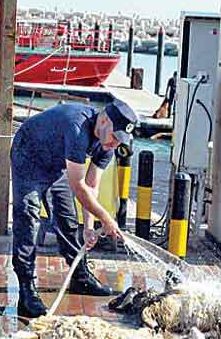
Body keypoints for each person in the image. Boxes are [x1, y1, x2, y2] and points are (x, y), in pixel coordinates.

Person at [11, 99, 138, 318]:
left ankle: (80, 277)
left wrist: (89, 227)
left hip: (58, 164)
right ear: (104, 120)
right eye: (115, 137)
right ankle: (26, 290)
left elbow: (90, 186)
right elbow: (78, 185)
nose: (115, 144)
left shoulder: (107, 145)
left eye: (120, 141)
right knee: (28, 219)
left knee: (67, 220)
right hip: (28, 155)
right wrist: (106, 218)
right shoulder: (77, 126)